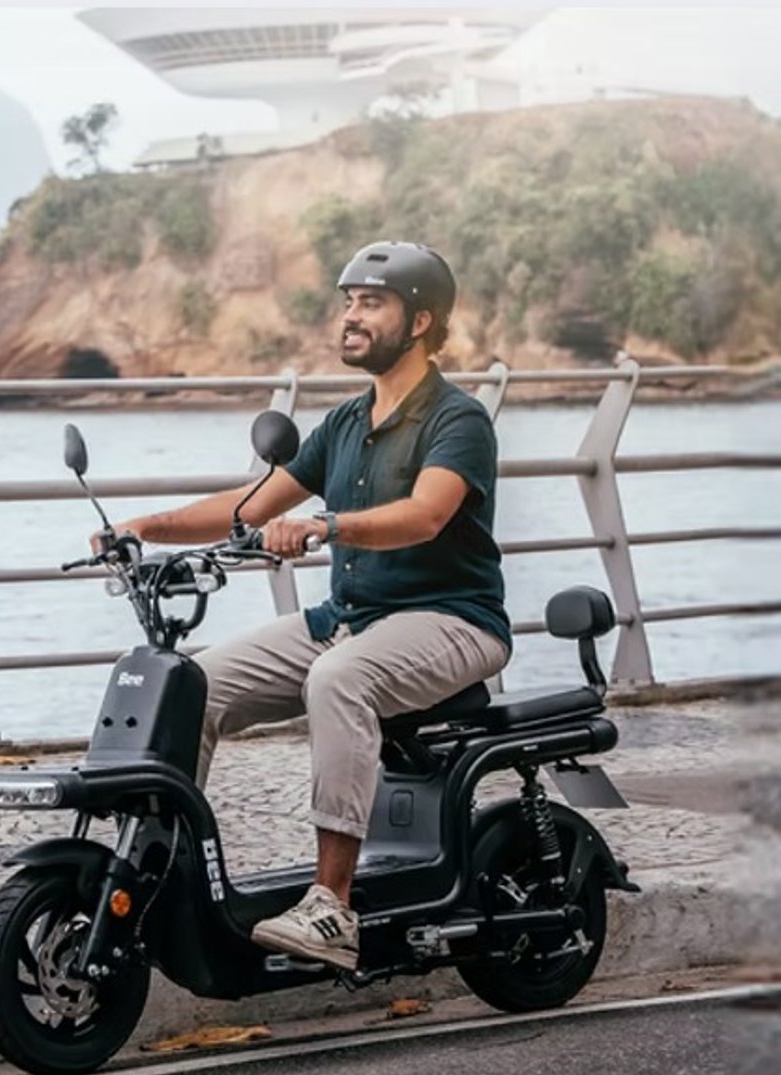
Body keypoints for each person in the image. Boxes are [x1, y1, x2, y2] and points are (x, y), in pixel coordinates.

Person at [99, 241, 509, 969]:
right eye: (348, 301)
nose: (351, 316)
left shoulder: (458, 419)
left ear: (419, 322)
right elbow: (251, 505)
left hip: (453, 621)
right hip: (351, 620)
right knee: (193, 687)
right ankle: (159, 874)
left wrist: (327, 526)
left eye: (371, 303)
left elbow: (423, 516)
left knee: (339, 678)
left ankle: (332, 907)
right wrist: (144, 528)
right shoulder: (346, 423)